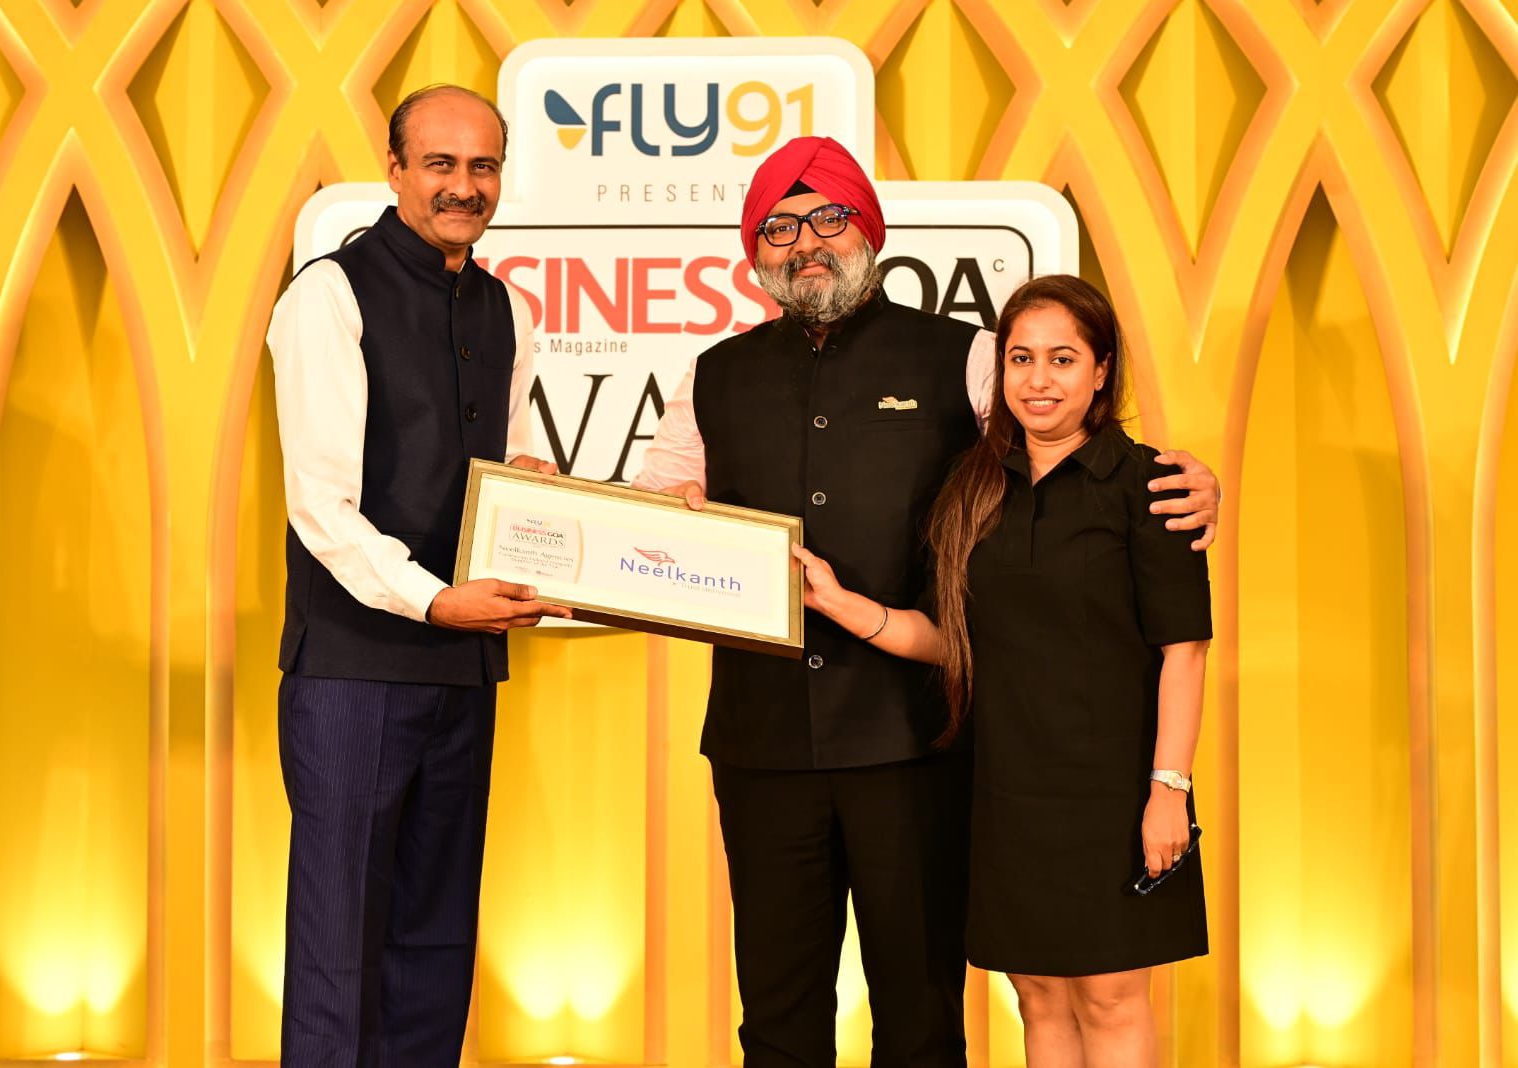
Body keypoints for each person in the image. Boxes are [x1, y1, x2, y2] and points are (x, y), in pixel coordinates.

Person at [632, 137, 1219, 1065]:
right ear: (755, 252)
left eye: (828, 217)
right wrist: (564, 525)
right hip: (760, 743)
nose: (806, 242)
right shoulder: (713, 373)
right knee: (776, 1019)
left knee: (920, 1019)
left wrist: (1189, 484)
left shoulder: (971, 358)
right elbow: (652, 513)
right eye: (779, 227)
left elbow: (1062, 463)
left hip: (919, 744)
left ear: (868, 229)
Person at [794, 274, 1211, 1067]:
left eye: (1063, 358)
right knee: (1040, 997)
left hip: (1118, 790)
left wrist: (1169, 791)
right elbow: (951, 640)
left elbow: (1184, 651)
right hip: (1004, 789)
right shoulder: (974, 489)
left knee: (1111, 998)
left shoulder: (1152, 484)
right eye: (1022, 359)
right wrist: (842, 604)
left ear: (1101, 370)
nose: (1039, 379)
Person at [266, 83, 570, 1066]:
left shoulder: (507, 306)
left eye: (483, 166)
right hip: (352, 672)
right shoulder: (328, 295)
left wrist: (529, 493)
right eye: (440, 164)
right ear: (394, 169)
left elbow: (496, 469)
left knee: (436, 945)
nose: (463, 187)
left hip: (464, 671)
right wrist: (437, 599)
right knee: (338, 948)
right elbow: (321, 506)